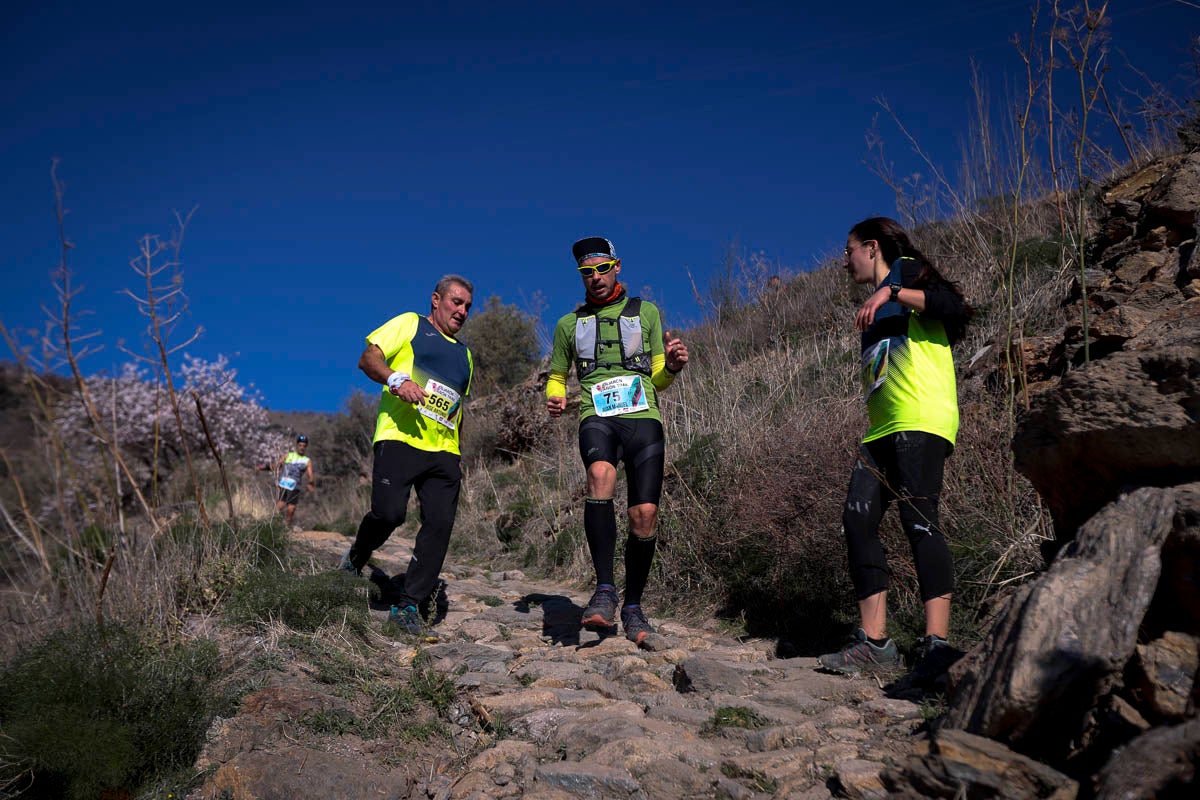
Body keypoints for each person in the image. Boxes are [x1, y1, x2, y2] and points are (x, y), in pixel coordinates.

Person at [817, 217, 973, 677]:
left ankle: (936, 646)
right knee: (856, 518)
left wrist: (891, 291)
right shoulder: (874, 303)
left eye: (848, 252)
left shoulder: (907, 271)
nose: (844, 262)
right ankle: (875, 643)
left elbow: (952, 306)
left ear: (870, 247)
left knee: (919, 520)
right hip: (883, 428)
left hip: (921, 417)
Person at [546, 236, 689, 645]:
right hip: (597, 418)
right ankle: (605, 590)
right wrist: (553, 397)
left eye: (602, 269)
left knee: (644, 515)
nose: (595, 278)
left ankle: (634, 606)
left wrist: (674, 367)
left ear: (617, 267)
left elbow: (659, 375)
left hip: (643, 418)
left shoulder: (646, 312)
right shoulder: (568, 326)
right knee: (599, 476)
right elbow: (557, 376)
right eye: (586, 273)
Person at [339, 275, 475, 638]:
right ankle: (357, 555)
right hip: (400, 438)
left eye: (467, 306)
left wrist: (458, 452)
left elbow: (457, 406)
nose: (461, 311)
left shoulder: (466, 356)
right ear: (436, 299)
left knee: (439, 526)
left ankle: (408, 605)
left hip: (444, 452)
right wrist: (396, 381)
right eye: (456, 302)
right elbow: (369, 358)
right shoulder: (410, 324)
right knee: (389, 514)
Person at [258, 434, 315, 528]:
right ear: (297, 445)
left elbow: (310, 474)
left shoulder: (306, 460)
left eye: (304, 446)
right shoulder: (288, 455)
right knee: (280, 505)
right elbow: (276, 466)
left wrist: (311, 483)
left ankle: (286, 526)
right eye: (300, 445)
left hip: (295, 486)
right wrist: (264, 467)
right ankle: (270, 524)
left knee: (291, 509)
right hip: (283, 485)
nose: (302, 447)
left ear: (306, 447)